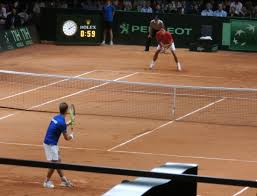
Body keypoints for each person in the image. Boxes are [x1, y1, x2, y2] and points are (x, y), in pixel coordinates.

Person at [43, 102, 74, 188]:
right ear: (67, 111)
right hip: (50, 144)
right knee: (54, 164)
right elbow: (66, 138)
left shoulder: (56, 117)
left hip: (50, 142)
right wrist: (71, 136)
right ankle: (46, 182)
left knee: (58, 161)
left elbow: (60, 126)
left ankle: (64, 181)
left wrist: (68, 123)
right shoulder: (62, 123)